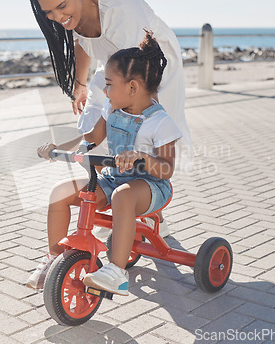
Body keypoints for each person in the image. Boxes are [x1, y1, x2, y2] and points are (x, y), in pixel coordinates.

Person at [26, 31, 181, 294]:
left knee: (123, 196)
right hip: (114, 180)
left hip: (151, 187)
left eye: (109, 84)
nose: (104, 91)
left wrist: (141, 158)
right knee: (59, 193)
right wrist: (57, 148)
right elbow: (91, 137)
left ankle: (116, 272)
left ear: (132, 87)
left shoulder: (160, 122)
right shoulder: (111, 110)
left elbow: (166, 170)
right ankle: (53, 260)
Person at [28, 0, 192, 173]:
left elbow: (141, 72)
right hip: (113, 66)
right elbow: (82, 41)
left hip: (151, 64)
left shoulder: (120, 9)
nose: (57, 17)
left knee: (145, 141)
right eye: (48, 12)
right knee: (94, 138)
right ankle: (106, 192)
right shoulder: (72, 12)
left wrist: (136, 119)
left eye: (61, 6)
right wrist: (80, 85)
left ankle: (149, 200)